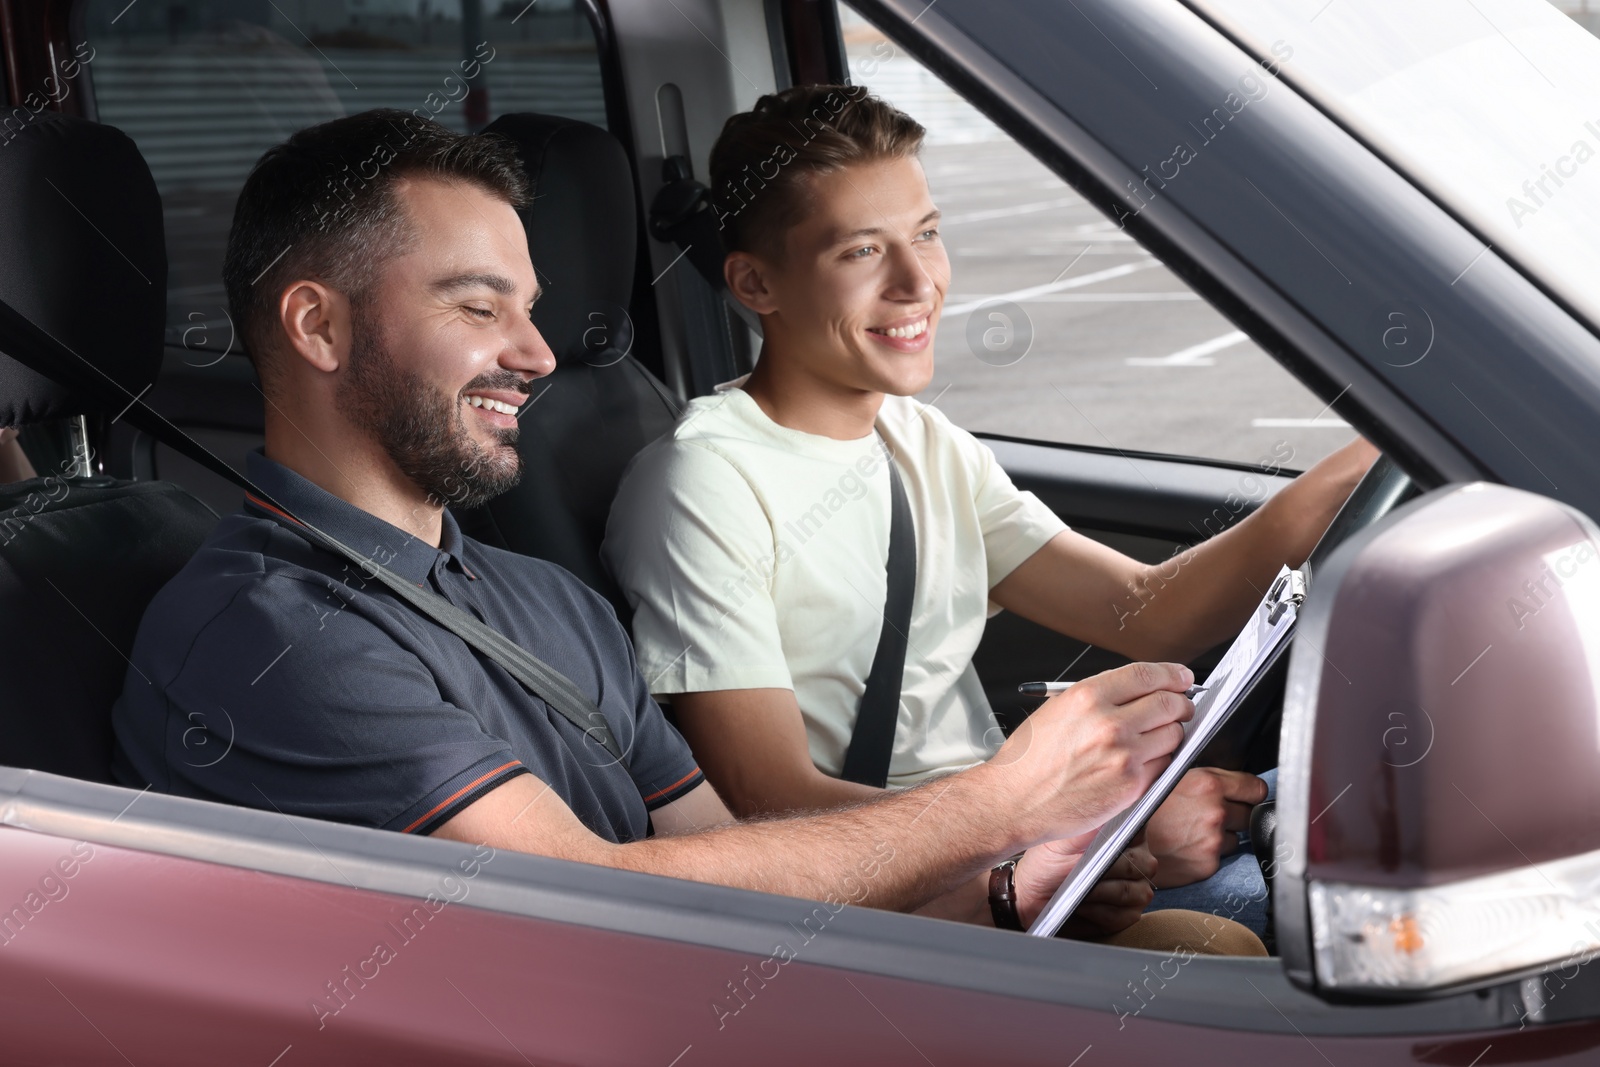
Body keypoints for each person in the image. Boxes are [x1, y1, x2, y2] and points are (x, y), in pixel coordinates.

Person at [108, 109, 1262, 955]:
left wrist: (1009, 889)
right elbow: (589, 903)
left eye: (532, 306)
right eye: (477, 305)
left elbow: (729, 869)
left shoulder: (533, 595)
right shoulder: (270, 632)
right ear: (316, 324)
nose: (537, 351)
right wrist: (1002, 804)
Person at [602, 86, 1380, 935]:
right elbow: (767, 801)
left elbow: (1145, 612)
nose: (918, 282)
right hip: (900, 906)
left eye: (927, 234)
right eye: (864, 251)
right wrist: (1066, 832)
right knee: (1232, 943)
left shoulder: (920, 439)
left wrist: (1360, 466)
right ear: (757, 282)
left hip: (1010, 850)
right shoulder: (702, 484)